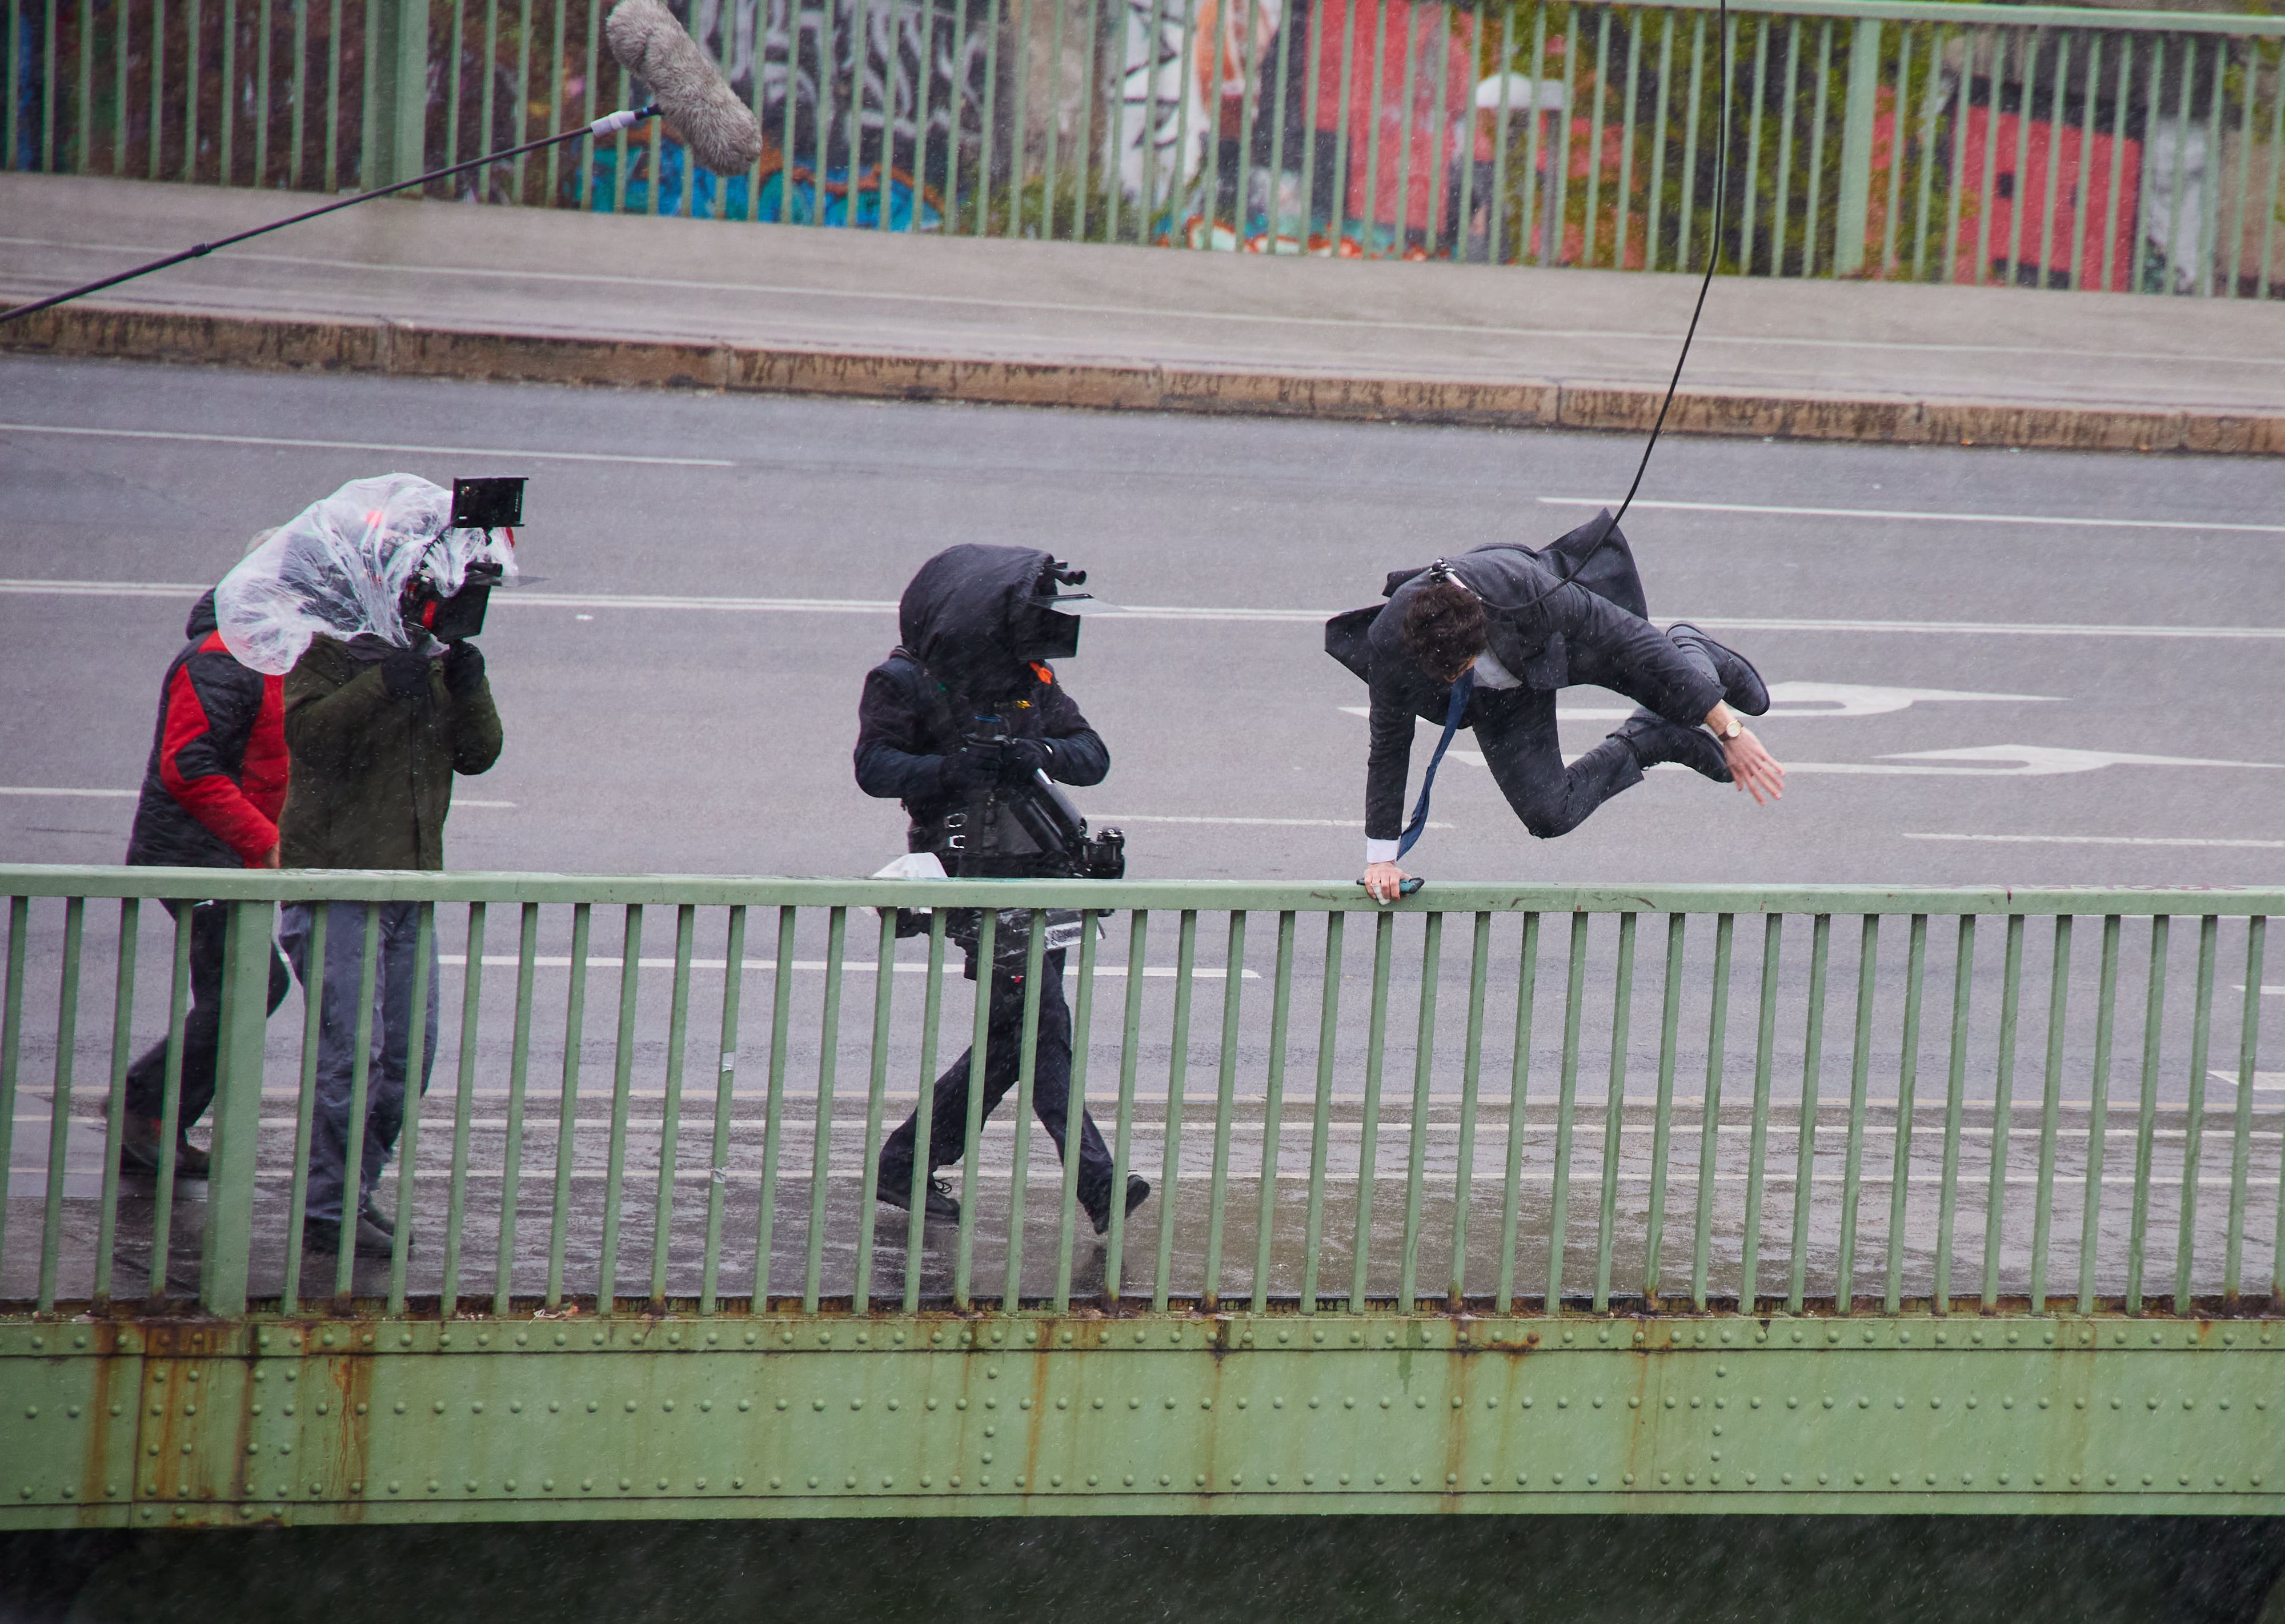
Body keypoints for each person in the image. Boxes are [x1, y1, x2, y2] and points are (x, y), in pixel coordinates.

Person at [214, 473, 511, 1258]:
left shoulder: (433, 656)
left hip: (410, 880)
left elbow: (478, 753)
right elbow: (312, 740)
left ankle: (354, 1190)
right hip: (339, 882)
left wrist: (469, 682)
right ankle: (327, 1207)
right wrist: (383, 681)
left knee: (408, 1059)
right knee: (354, 1055)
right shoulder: (328, 648)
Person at [855, 544, 1149, 1237]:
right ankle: (1097, 1182)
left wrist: (1037, 753)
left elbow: (1092, 755)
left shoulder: (1030, 676)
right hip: (972, 881)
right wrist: (950, 769)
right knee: (1040, 1027)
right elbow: (874, 766)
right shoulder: (903, 680)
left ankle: (904, 1164)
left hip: (1045, 874)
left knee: (1014, 1036)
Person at [1326, 513, 1786, 901]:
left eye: (1461, 667)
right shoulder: (1390, 641)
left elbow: (1629, 637)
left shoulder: (1521, 587)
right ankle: (1648, 739)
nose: (1451, 680)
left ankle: (1692, 645)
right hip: (1499, 698)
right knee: (1548, 813)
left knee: (1686, 695)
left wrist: (1730, 730)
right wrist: (1381, 858)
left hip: (1558, 644)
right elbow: (1389, 745)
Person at [118, 587, 295, 1178]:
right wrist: (259, 837)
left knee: (233, 987)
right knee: (255, 984)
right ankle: (146, 1107)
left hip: (217, 854)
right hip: (197, 853)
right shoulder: (222, 656)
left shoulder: (258, 652)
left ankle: (158, 1124)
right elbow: (189, 766)